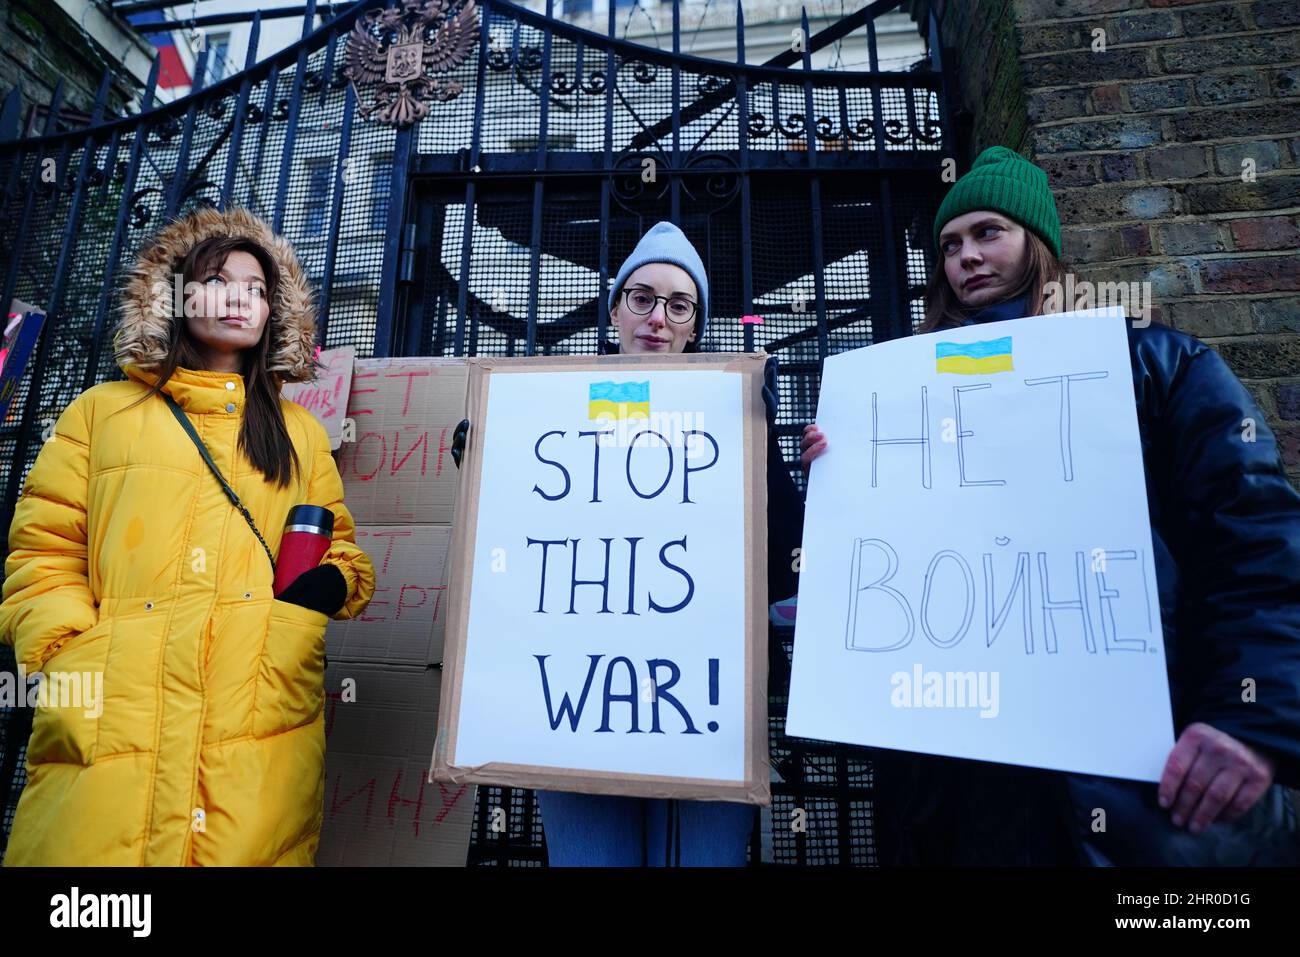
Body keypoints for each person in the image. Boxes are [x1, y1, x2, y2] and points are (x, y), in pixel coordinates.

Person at [800, 147, 1300, 865]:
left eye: (988, 232)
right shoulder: (896, 402)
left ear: (1038, 244)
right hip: (958, 790)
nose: (966, 256)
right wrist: (842, 480)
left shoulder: (1156, 365)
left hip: (1138, 789)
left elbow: (1256, 536)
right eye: (950, 244)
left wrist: (1252, 716)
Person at [0, 206, 376, 866]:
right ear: (173, 295)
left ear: (274, 315)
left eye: (258, 289)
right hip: (114, 710)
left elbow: (339, 545)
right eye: (220, 279)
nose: (241, 298)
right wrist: (66, 656)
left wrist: (327, 586)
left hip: (258, 712)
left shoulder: (301, 433)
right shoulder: (100, 413)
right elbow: (43, 550)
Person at [452, 221, 804, 865]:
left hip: (704, 713)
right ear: (614, 308)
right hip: (577, 711)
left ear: (695, 325)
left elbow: (788, 570)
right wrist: (486, 463)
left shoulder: (731, 422)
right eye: (641, 298)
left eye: (679, 304)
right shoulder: (549, 419)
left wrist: (764, 446)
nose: (658, 318)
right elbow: (512, 568)